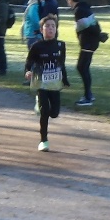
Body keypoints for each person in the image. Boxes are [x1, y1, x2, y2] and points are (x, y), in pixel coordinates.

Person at [24, 14, 69, 152]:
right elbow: (29, 62)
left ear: (56, 29)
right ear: (42, 29)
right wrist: (27, 71)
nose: (50, 29)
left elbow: (61, 64)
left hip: (55, 84)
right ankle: (43, 140)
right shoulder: (37, 46)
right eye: (47, 26)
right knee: (45, 112)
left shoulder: (61, 45)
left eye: (53, 26)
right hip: (41, 84)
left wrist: (65, 80)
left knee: (54, 113)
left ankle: (41, 106)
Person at [65, 0, 101, 103]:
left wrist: (99, 35)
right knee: (83, 67)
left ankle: (88, 97)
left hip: (88, 43)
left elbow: (87, 27)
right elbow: (93, 24)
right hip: (90, 42)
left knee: (82, 67)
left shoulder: (79, 11)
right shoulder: (85, 9)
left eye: (68, 1)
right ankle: (88, 94)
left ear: (70, 0)